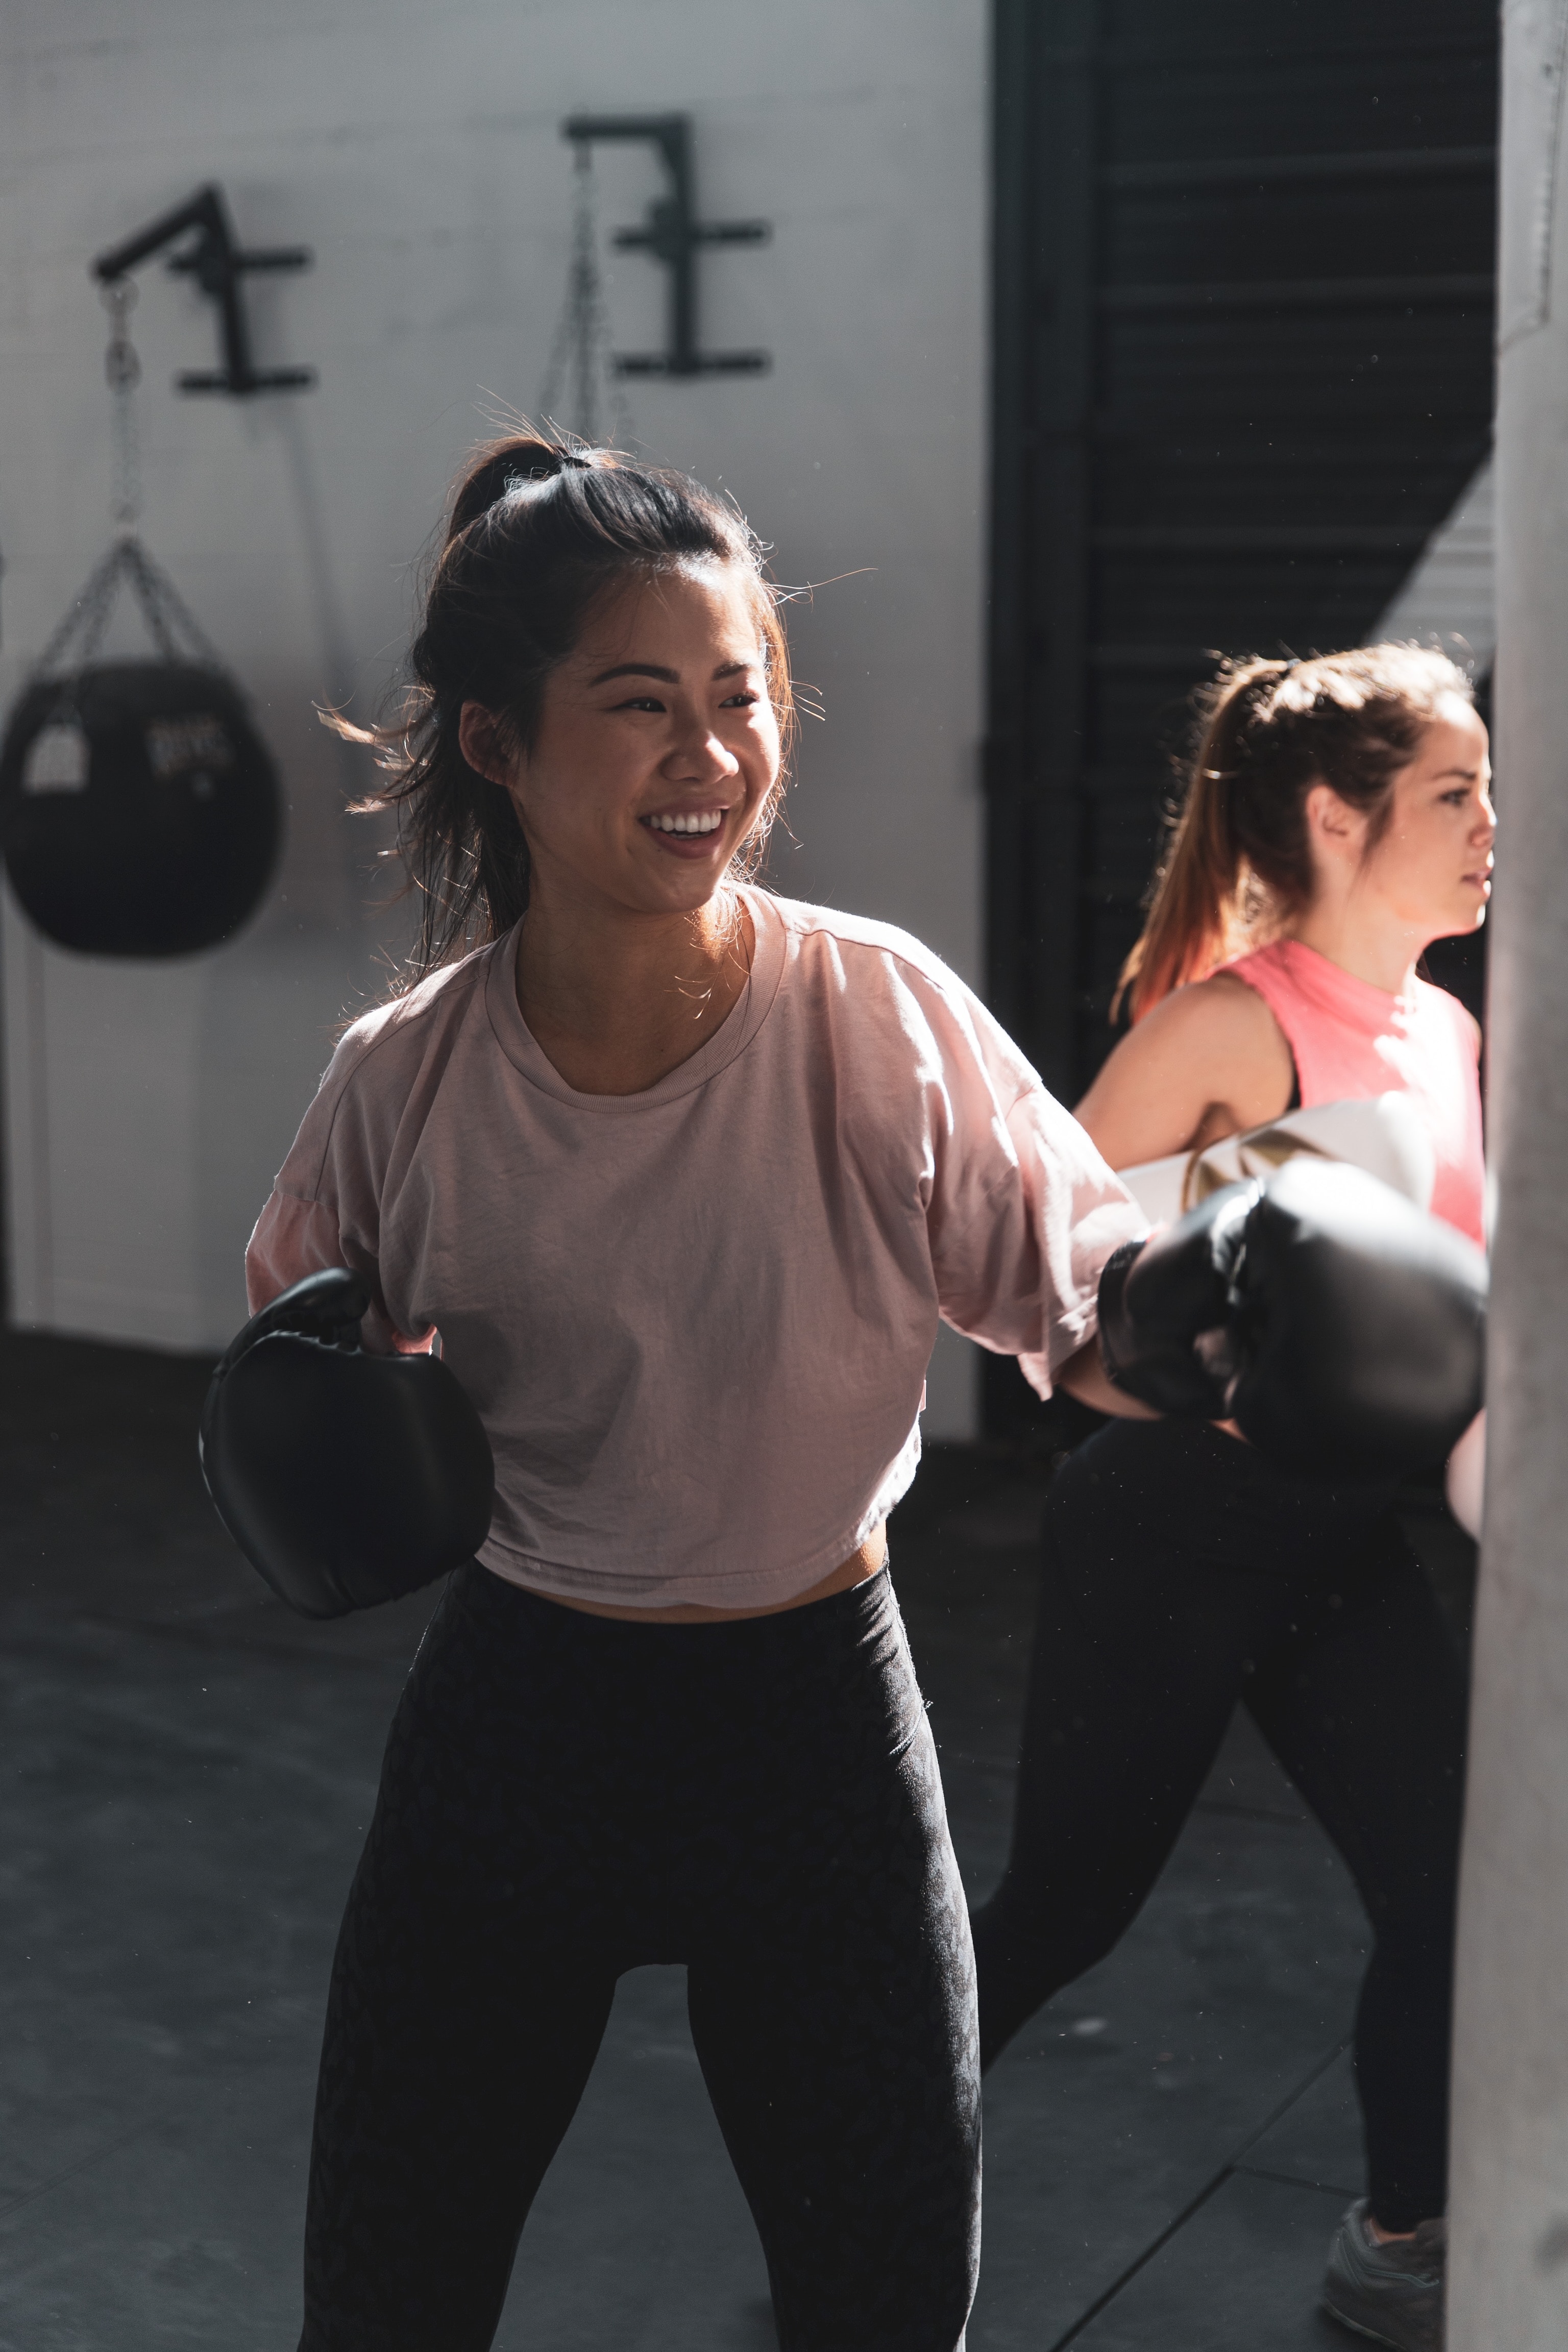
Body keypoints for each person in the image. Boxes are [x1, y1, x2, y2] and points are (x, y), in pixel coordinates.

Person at [243, 430, 1149, 2351]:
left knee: (891, 2306)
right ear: (498, 742)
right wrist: (322, 1420)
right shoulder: (401, 1082)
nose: (709, 757)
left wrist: (1208, 1325)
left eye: (741, 702)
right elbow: (293, 1360)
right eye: (640, 705)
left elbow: (1080, 1287)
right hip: (521, 1723)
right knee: (385, 2304)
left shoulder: (875, 1012)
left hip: (814, 1722)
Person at [970, 645, 1492, 2352]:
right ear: (1340, 817)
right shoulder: (1222, 1024)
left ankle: (1400, 2246)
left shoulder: (1447, 1028)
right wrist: (1227, 1352)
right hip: (1176, 1525)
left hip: (1347, 1531)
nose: (1496, 824)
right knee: (1069, 1908)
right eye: (1454, 793)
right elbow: (1061, 1305)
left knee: (1452, 1895)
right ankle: (845, 2124)